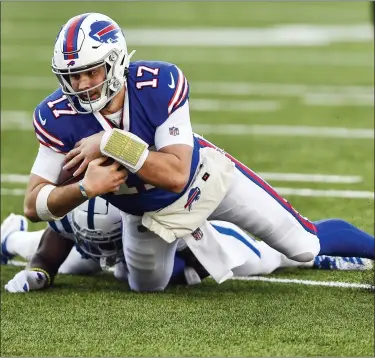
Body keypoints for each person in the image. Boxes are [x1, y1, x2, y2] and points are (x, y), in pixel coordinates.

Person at [22, 13, 374, 292]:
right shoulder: (56, 115)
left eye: (90, 72)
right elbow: (33, 203)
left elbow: (176, 175)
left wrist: (112, 143)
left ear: (114, 61)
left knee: (304, 245)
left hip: (201, 182)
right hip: (144, 216)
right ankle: (194, 252)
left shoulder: (158, 83)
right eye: (72, 76)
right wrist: (85, 189)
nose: (81, 85)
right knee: (148, 286)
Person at [2, 198, 373, 293]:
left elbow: (177, 264)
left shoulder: (143, 208)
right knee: (82, 261)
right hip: (114, 251)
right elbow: (57, 238)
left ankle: (321, 256)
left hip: (186, 237)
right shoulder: (72, 213)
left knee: (272, 256)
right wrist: (38, 272)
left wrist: (191, 272)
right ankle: (10, 236)